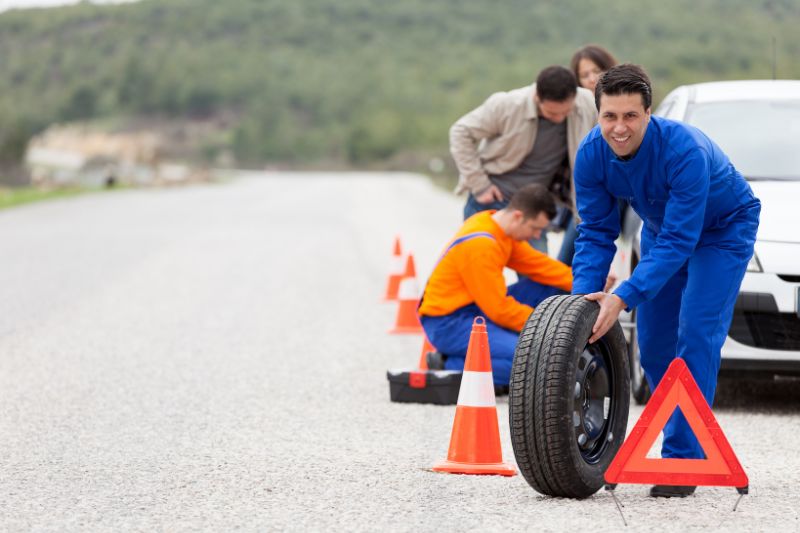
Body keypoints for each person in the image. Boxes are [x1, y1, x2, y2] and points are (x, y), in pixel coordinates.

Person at [570, 64, 761, 498]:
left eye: (630, 116)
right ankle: (678, 431)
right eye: (609, 116)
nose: (619, 128)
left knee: (695, 332)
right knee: (654, 344)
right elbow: (597, 231)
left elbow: (681, 239)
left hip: (723, 230)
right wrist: (584, 301)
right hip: (663, 229)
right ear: (598, 114)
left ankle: (682, 459)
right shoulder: (590, 154)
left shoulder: (683, 150)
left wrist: (623, 296)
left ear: (649, 113)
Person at [418, 184, 572, 388]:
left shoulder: (498, 227)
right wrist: (545, 329)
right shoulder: (482, 245)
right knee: (526, 363)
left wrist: (588, 281)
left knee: (548, 286)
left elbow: (541, 267)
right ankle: (447, 363)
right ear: (518, 216)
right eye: (535, 228)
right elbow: (499, 310)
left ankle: (503, 344)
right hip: (448, 322)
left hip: (475, 308)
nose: (537, 236)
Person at [449, 66, 597, 254]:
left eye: (565, 112)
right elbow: (460, 131)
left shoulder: (587, 103)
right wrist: (479, 184)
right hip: (492, 198)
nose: (559, 118)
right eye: (552, 113)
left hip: (534, 206)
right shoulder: (507, 104)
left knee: (537, 275)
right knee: (476, 262)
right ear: (537, 97)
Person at [558, 45, 619, 266]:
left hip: (615, 193)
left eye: (597, 71)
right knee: (570, 261)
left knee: (573, 260)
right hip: (585, 196)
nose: (592, 79)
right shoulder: (573, 109)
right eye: (584, 75)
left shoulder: (624, 103)